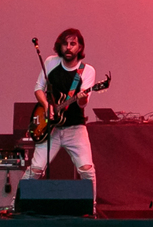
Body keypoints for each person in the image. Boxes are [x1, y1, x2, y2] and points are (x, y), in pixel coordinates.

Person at [24, 28, 98, 204]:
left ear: (80, 47)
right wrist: (46, 106)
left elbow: (83, 104)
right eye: (65, 44)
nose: (69, 47)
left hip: (75, 128)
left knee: (87, 170)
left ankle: (91, 207)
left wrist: (82, 97)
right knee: (35, 170)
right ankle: (16, 204)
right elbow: (38, 88)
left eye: (73, 44)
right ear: (60, 46)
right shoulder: (51, 62)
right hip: (51, 128)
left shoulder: (87, 71)